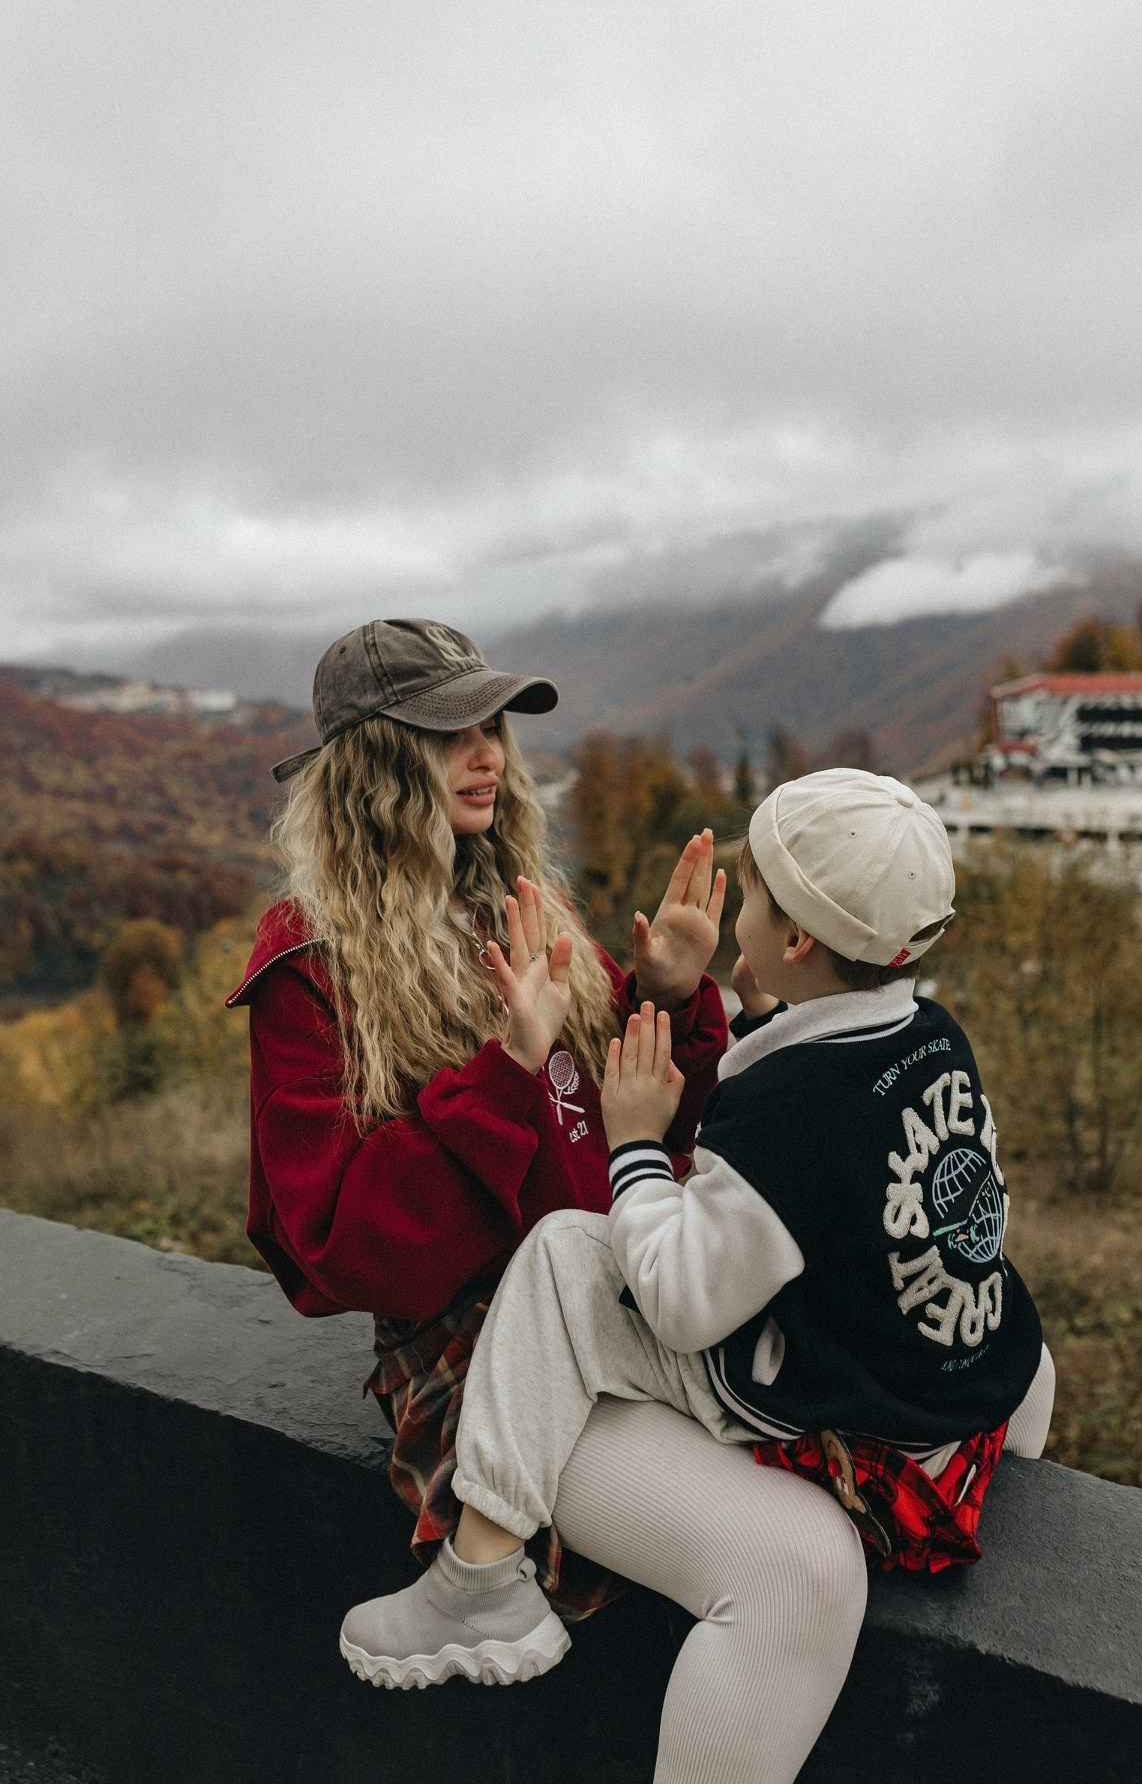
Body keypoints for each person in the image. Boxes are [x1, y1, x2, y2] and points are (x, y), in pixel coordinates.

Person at [228, 619, 868, 1784]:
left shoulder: (518, 906)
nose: (488, 754)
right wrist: (502, 1072)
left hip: (624, 1304)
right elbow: (340, 1251)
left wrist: (665, 999)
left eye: (493, 727)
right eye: (449, 734)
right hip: (487, 1364)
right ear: (373, 764)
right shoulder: (312, 965)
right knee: (799, 1567)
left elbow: (639, 1135)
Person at [342, 769, 1054, 1686]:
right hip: (949, 1382)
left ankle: (478, 1578)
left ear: (795, 939)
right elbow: (853, 1170)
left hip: (830, 1405)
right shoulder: (934, 1037)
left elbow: (681, 1305)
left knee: (564, 1255)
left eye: (751, 896)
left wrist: (636, 1145)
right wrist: (763, 1012)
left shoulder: (788, 1109)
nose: (736, 915)